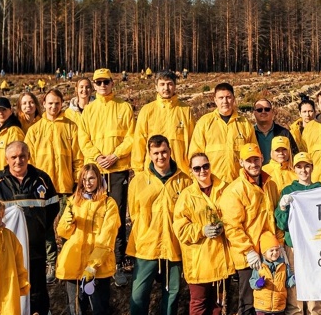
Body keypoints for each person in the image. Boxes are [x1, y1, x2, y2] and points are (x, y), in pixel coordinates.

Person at [0, 141, 58, 315]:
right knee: (9, 287)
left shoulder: (42, 179)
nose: (18, 161)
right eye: (14, 157)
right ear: (6, 159)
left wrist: (39, 228)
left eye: (22, 156)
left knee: (36, 286)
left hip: (34, 247)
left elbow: (53, 209)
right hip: (5, 250)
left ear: (28, 156)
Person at [127, 135, 191, 315]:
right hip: (147, 246)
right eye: (155, 153)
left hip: (174, 245)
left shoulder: (184, 180)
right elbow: (134, 213)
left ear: (170, 151)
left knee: (172, 292)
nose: (160, 157)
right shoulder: (138, 181)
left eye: (163, 152)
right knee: (139, 293)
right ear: (149, 154)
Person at [220, 143, 280, 315]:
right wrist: (248, 251)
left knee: (269, 298)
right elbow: (232, 227)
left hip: (269, 254)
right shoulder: (235, 190)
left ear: (262, 159)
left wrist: (278, 244)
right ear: (241, 163)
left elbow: (273, 217)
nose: (253, 164)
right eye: (249, 161)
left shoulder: (270, 184)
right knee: (248, 300)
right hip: (249, 257)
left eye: (256, 159)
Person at [78, 68, 135, 286]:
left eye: (106, 82)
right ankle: (94, 262)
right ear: (94, 85)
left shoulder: (124, 107)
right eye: (99, 82)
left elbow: (131, 137)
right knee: (94, 216)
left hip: (118, 170)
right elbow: (84, 139)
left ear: (112, 83)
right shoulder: (89, 111)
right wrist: (98, 158)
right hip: (96, 171)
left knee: (117, 217)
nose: (102, 85)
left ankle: (117, 263)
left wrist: (115, 156)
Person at [55, 163, 120, 315]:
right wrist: (67, 223)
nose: (88, 183)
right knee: (76, 304)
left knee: (100, 304)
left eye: (91, 178)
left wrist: (93, 265)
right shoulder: (73, 201)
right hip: (73, 262)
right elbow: (63, 233)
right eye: (84, 179)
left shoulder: (109, 204)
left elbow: (107, 238)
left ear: (98, 179)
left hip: (98, 265)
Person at [174, 152, 233, 315]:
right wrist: (201, 230)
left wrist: (224, 227)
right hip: (199, 256)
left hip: (220, 254)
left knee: (217, 301)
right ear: (191, 171)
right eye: (197, 168)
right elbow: (180, 228)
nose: (202, 171)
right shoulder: (186, 196)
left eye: (205, 166)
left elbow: (233, 214)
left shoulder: (224, 188)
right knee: (199, 302)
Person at [275, 152, 321, 315]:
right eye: (299, 167)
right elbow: (281, 223)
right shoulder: (289, 191)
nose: (303, 170)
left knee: (315, 293)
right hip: (294, 247)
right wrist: (282, 208)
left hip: (315, 248)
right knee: (294, 294)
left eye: (306, 166)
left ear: (312, 167)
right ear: (294, 169)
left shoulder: (320, 189)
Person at [190, 82, 258, 183]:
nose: (225, 101)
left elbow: (254, 155)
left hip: (238, 185)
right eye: (221, 98)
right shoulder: (204, 123)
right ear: (215, 100)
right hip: (212, 185)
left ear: (234, 99)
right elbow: (194, 156)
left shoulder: (245, 124)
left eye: (228, 97)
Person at [131, 71, 194, 172]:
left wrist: (192, 169)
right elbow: (139, 142)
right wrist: (138, 170)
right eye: (162, 84)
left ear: (175, 86)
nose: (166, 88)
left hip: (180, 170)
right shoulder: (147, 110)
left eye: (169, 84)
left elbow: (193, 143)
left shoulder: (185, 111)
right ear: (156, 87)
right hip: (152, 171)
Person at [24, 88, 82, 195]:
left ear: (62, 104)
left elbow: (78, 157)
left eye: (57, 103)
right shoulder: (34, 130)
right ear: (44, 104)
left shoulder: (71, 126)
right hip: (41, 186)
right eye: (50, 103)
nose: (54, 106)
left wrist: (78, 180)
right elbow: (28, 160)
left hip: (65, 186)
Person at [250, 234, 295, 315]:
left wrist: (295, 280)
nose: (275, 253)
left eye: (277, 250)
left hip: (278, 305)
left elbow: (288, 280)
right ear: (264, 253)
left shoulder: (284, 266)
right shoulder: (260, 266)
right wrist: (258, 283)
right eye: (271, 250)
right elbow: (252, 282)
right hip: (262, 306)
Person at [0, 96, 25, 178]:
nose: (1, 113)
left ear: (10, 111)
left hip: (7, 180)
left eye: (4, 110)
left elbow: (18, 160)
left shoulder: (14, 131)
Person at [252, 96, 297, 164]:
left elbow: (294, 156)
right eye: (259, 110)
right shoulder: (249, 133)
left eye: (267, 109)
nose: (263, 112)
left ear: (272, 112)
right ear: (254, 113)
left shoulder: (284, 133)